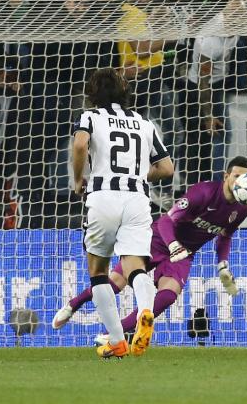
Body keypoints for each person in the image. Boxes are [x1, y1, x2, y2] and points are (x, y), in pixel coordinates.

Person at [52, 157, 247, 339]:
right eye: (237, 176)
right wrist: (173, 245)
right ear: (226, 176)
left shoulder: (243, 207)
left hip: (184, 253)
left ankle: (112, 335)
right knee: (114, 283)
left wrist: (222, 265)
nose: (240, 182)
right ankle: (73, 305)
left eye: (246, 178)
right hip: (158, 239)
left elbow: (225, 236)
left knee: (168, 295)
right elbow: (167, 221)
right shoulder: (203, 192)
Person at [71, 68, 174, 359]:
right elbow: (167, 168)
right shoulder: (143, 122)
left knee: (99, 271)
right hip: (137, 200)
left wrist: (78, 178)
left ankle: (117, 341)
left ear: (93, 94)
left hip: (102, 196)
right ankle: (145, 310)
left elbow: (80, 144)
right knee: (135, 266)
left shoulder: (90, 117)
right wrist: (141, 174)